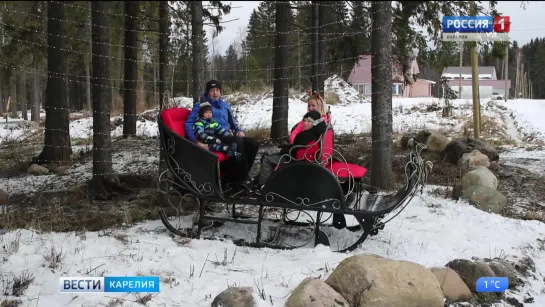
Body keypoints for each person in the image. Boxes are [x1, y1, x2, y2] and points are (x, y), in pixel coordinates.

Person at [185, 80, 260, 183]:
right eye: (212, 90)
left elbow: (232, 122)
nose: (215, 93)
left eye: (217, 90)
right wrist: (195, 141)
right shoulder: (201, 106)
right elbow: (189, 123)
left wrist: (238, 130)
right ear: (207, 92)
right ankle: (242, 179)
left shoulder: (225, 105)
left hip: (227, 135)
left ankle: (240, 175)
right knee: (237, 142)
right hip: (213, 137)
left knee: (253, 144)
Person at [253, 111, 327, 191]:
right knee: (269, 154)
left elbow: (298, 154)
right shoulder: (315, 133)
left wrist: (281, 150)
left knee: (266, 158)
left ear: (315, 123)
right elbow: (297, 148)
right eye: (305, 120)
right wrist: (283, 148)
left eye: (309, 121)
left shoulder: (307, 135)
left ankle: (265, 186)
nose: (305, 123)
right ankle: (263, 181)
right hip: (301, 158)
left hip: (296, 161)